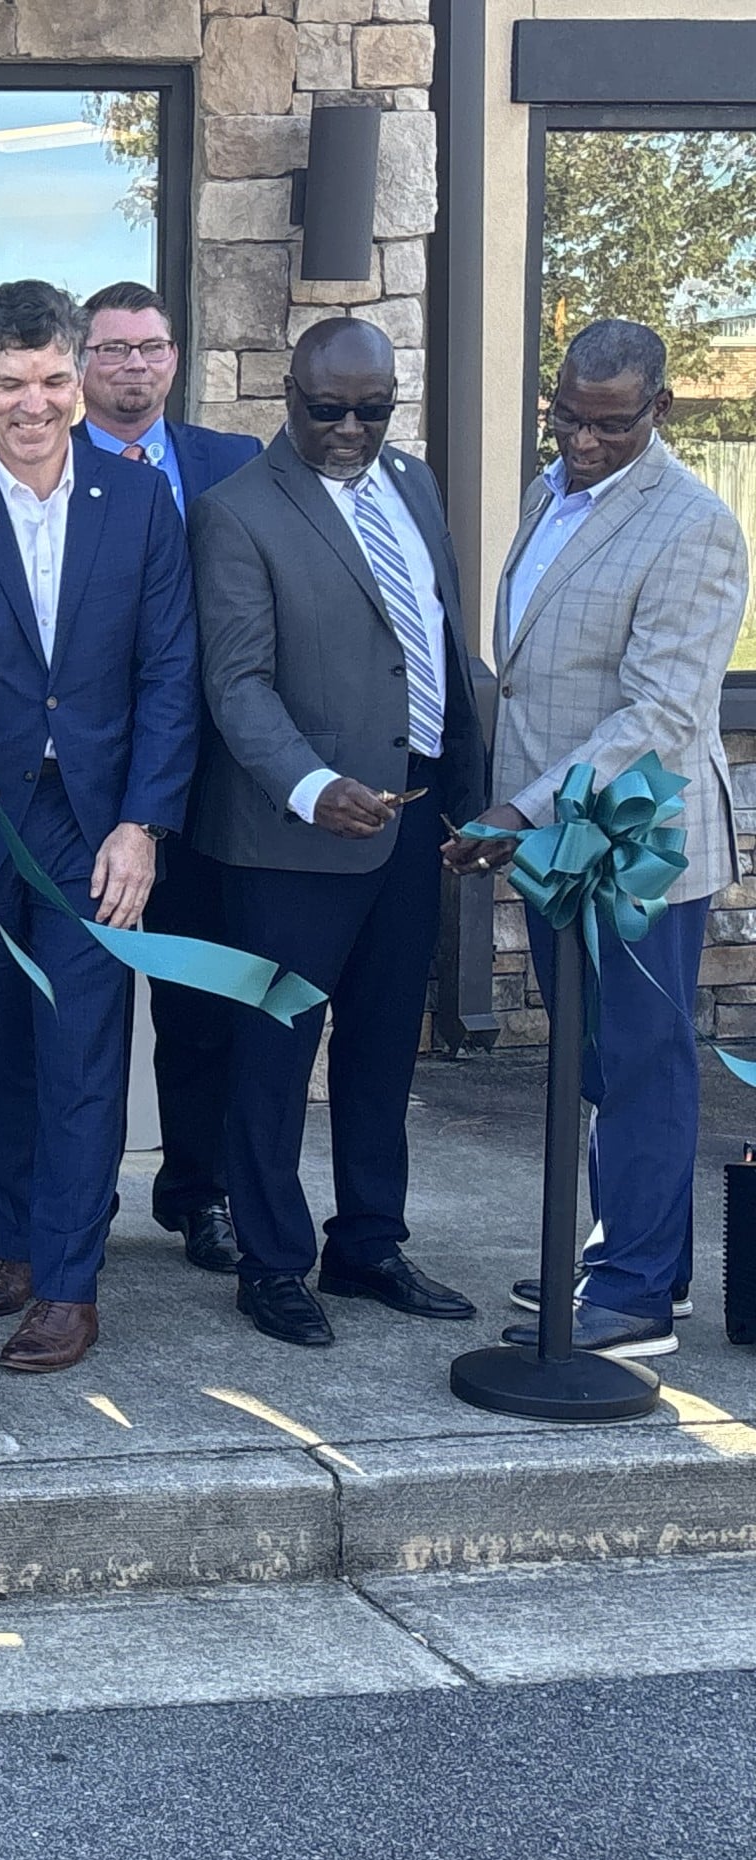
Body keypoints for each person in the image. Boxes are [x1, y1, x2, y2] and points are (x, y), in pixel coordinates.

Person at [0, 279, 197, 1374]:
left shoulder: (139, 500)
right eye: (9, 383)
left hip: (93, 827)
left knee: (80, 1048)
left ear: (79, 377)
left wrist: (143, 824)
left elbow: (168, 677)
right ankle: (18, 1248)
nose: (33, 403)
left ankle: (67, 1283)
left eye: (53, 379)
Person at [450, 318, 752, 1360]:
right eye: (567, 416)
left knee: (641, 1064)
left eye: (608, 425)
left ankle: (638, 1291)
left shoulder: (693, 526)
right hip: (551, 846)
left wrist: (522, 806)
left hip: (637, 848)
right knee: (588, 1061)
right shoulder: (551, 491)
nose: (581, 441)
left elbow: (661, 715)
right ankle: (619, 1256)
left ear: (658, 410)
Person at [192, 318, 488, 1348]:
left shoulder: (411, 484)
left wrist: (472, 785)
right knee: (275, 1055)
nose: (353, 429)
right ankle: (270, 1262)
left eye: (375, 408)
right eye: (330, 409)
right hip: (291, 837)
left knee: (380, 1047)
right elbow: (236, 683)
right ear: (288, 395)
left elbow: (440, 642)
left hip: (408, 822)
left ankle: (365, 1241)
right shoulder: (235, 514)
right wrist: (311, 785)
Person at [78, 281, 264, 1277]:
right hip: (83, 785)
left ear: (175, 356)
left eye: (150, 347)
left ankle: (200, 1192)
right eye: (112, 350)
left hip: (209, 791)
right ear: (80, 364)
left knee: (201, 1007)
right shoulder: (46, 471)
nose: (133, 366)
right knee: (82, 1007)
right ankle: (76, 1203)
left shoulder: (233, 466)